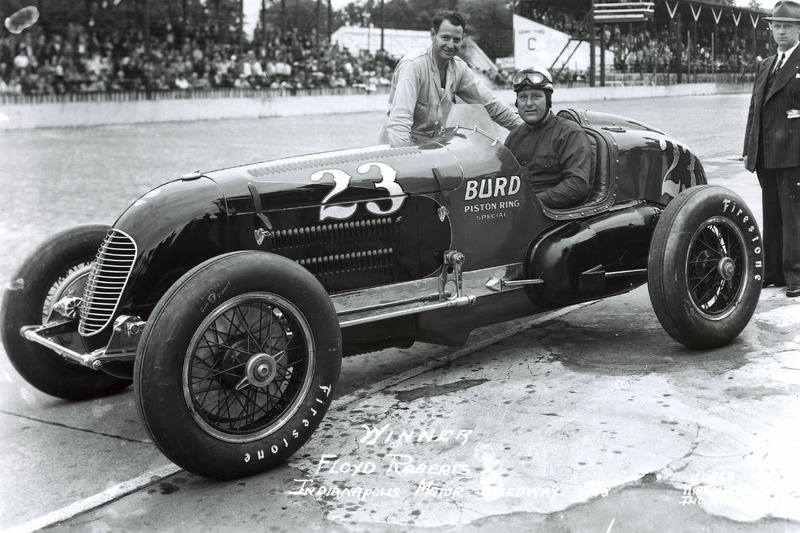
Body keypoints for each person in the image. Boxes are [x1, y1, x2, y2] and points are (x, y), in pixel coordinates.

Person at [379, 10, 522, 145]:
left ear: (463, 39)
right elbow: (399, 122)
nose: (451, 45)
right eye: (445, 38)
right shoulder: (413, 65)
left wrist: (525, 127)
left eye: (456, 39)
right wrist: (407, 160)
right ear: (433, 34)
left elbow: (491, 104)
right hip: (396, 147)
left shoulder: (460, 68)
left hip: (429, 145)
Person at [743, 0, 800, 298]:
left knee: (794, 213)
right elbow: (755, 109)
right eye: (776, 26)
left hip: (794, 150)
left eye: (787, 26)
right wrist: (748, 150)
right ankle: (774, 271)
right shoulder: (765, 64)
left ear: (798, 29)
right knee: (772, 211)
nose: (780, 31)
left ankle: (796, 274)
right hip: (766, 152)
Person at [504, 66, 593, 209]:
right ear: (516, 103)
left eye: (536, 96)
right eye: (522, 97)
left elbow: (577, 185)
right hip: (517, 210)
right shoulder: (514, 135)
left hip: (550, 216)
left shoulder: (569, 133)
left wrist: (529, 203)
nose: (528, 104)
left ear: (548, 100)